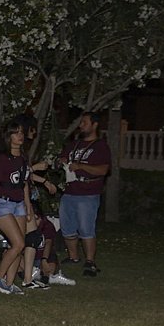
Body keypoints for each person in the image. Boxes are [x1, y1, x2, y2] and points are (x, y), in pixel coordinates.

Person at [58, 111, 111, 278]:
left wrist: (81, 166)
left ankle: (90, 261)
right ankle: (73, 256)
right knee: (67, 227)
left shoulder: (100, 146)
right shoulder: (74, 145)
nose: (81, 125)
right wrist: (61, 161)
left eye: (84, 122)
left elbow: (103, 170)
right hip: (70, 191)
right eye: (81, 122)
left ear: (94, 125)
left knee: (86, 228)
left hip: (88, 193)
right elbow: (63, 158)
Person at [0, 119, 36, 295]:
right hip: (3, 203)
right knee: (18, 243)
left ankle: (9, 283)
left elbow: (24, 184)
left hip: (19, 204)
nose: (20, 136)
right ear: (9, 137)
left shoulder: (22, 159)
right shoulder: (1, 159)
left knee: (19, 246)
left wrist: (28, 206)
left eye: (21, 132)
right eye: (16, 133)